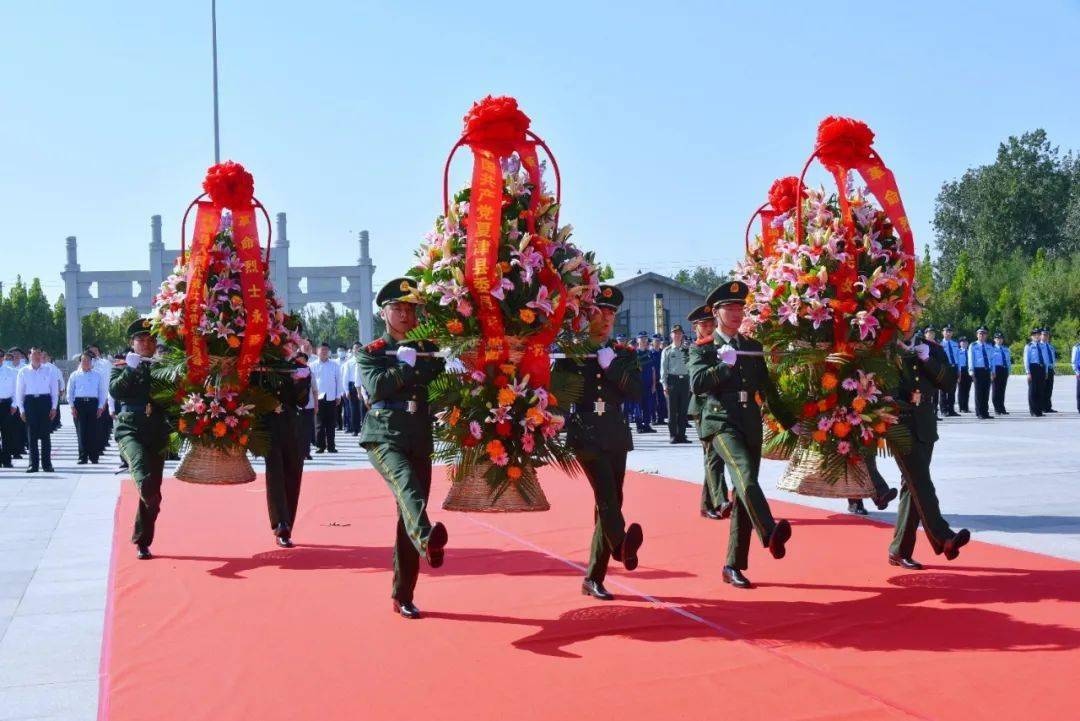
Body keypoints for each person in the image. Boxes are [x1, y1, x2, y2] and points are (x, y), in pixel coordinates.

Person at [689, 281, 798, 590]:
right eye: (730, 308)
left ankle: (733, 564)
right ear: (716, 312)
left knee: (742, 496)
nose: (737, 313)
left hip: (750, 422)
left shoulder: (750, 345)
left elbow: (768, 389)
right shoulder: (704, 348)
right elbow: (697, 384)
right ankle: (770, 532)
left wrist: (789, 422)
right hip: (720, 422)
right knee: (745, 476)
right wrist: (723, 367)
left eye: (740, 308)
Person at [358, 277, 448, 620]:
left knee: (407, 512)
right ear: (384, 313)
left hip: (419, 434)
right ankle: (428, 540)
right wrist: (403, 365)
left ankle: (403, 594)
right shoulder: (372, 352)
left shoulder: (428, 350)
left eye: (411, 309)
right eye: (398, 309)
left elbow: (441, 388)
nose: (406, 315)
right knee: (408, 488)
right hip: (384, 434)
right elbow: (377, 388)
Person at [555, 284, 645, 601]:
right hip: (586, 433)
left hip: (615, 433)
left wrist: (611, 368)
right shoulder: (571, 352)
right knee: (606, 495)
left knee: (610, 504)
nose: (607, 318)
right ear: (587, 314)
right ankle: (621, 545)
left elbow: (636, 392)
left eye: (611, 313)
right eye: (600, 312)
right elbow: (559, 393)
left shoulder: (622, 355)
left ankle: (593, 577)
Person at [887, 330, 971, 569]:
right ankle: (944, 537)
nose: (909, 318)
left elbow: (949, 382)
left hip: (925, 424)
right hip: (898, 425)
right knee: (921, 481)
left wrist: (927, 361)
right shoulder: (886, 347)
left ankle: (899, 550)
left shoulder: (931, 348)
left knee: (912, 485)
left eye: (914, 312)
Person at [111, 320, 171, 560]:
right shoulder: (122, 364)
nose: (146, 344)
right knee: (140, 469)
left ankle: (143, 541)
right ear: (131, 343)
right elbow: (116, 391)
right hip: (130, 427)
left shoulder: (161, 366)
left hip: (156, 429)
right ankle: (150, 497)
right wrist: (130, 370)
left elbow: (172, 397)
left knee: (153, 487)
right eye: (141, 340)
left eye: (150, 340)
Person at [255, 352, 311, 548]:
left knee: (293, 474)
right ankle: (281, 526)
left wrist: (300, 381)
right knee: (275, 473)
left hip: (294, 427)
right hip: (270, 426)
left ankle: (288, 522)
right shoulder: (265, 362)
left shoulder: (299, 366)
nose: (289, 345)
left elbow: (302, 401)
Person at [686, 305, 730, 520]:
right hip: (703, 407)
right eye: (705, 325)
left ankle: (708, 503)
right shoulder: (698, 349)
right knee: (712, 454)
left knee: (713, 455)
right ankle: (718, 501)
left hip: (720, 406)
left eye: (712, 323)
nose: (709, 327)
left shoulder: (721, 344)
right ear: (696, 328)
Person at [14, 347, 59, 473]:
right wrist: (21, 410)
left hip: (44, 402)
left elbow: (54, 391)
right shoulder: (23, 372)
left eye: (39, 354)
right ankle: (33, 465)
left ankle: (47, 464)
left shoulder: (49, 370)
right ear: (29, 356)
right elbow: (19, 393)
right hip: (30, 403)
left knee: (45, 436)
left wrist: (54, 407)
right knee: (31, 436)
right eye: (34, 354)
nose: (37, 357)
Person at [68, 352, 107, 464]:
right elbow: (70, 392)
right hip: (79, 404)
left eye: (88, 360)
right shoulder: (74, 375)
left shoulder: (97, 375)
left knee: (93, 431)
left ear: (91, 362)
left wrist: (100, 407)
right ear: (80, 362)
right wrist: (72, 406)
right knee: (81, 431)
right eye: (83, 360)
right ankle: (83, 456)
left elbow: (102, 392)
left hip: (92, 403)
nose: (85, 362)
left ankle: (94, 456)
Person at [660, 324, 692, 444]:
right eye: (675, 333)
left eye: (679, 333)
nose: (677, 335)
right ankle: (673, 435)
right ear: (671, 335)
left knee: (683, 410)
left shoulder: (687, 350)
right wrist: (664, 385)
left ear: (682, 335)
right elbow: (663, 369)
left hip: (685, 381)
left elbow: (691, 367)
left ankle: (682, 435)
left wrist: (691, 383)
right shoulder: (667, 350)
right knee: (672, 411)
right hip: (672, 381)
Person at [310, 342, 342, 453]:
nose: (324, 352)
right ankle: (320, 446)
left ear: (329, 352)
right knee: (319, 424)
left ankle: (331, 446)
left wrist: (338, 396)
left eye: (326, 350)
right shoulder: (313, 365)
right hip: (318, 398)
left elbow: (339, 381)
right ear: (317, 351)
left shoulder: (334, 365)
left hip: (331, 397)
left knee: (331, 424)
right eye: (322, 350)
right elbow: (310, 383)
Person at [967, 327, 995, 420]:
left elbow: (992, 359)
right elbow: (971, 359)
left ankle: (985, 412)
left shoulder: (989, 346)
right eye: (980, 334)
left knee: (986, 392)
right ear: (977, 335)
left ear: (986, 335)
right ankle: (979, 412)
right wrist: (971, 371)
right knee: (979, 392)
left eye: (984, 334)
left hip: (987, 370)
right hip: (977, 370)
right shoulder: (973, 345)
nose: (982, 336)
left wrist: (993, 371)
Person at [633, 332, 657, 433]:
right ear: (637, 340)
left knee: (648, 405)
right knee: (637, 406)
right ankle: (639, 426)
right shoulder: (634, 354)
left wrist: (654, 384)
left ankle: (647, 425)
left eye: (645, 339)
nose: (643, 340)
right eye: (641, 339)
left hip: (648, 384)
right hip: (638, 385)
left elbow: (653, 370)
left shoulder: (649, 353)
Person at [295, 351, 316, 460]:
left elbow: (315, 390)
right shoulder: (291, 372)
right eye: (299, 360)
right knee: (297, 430)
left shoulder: (310, 373)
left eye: (303, 360)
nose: (301, 363)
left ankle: (306, 452)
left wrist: (316, 405)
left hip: (308, 405)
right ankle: (297, 452)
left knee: (307, 431)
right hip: (295, 406)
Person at [938, 325, 962, 416]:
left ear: (952, 333)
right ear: (942, 333)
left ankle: (951, 410)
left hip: (954, 368)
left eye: (950, 331)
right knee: (943, 390)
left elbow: (958, 358)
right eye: (946, 331)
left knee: (952, 390)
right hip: (945, 368)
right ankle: (944, 410)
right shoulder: (939, 345)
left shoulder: (955, 344)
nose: (948, 333)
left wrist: (959, 370)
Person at [1024, 328, 1047, 417]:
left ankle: (1039, 410)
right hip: (1033, 368)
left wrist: (1045, 371)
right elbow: (1026, 360)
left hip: (1041, 368)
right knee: (1033, 390)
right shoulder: (1028, 346)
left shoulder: (1042, 346)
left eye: (1038, 334)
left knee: (1040, 390)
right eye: (1034, 335)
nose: (1036, 336)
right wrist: (1028, 372)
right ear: (1031, 336)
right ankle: (1033, 411)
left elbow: (1045, 359)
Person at [0, 353, 16, 468]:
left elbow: (16, 389)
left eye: (0, 356)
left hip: (6, 404)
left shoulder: (10, 371)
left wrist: (14, 404)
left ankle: (6, 460)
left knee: (7, 433)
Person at [991, 332, 1011, 415]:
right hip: (996, 369)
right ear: (994, 340)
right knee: (996, 390)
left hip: (1004, 369)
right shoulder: (992, 349)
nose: (999, 340)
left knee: (1002, 390)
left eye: (1001, 338)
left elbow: (1008, 361)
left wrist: (1008, 371)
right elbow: (991, 361)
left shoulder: (1006, 349)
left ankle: (1002, 407)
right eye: (997, 338)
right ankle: (997, 408)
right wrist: (992, 371)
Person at [650, 334, 667, 427]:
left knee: (661, 400)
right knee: (652, 401)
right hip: (652, 380)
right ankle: (653, 418)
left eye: (658, 341)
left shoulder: (663, 352)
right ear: (652, 342)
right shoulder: (649, 353)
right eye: (655, 341)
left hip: (661, 379)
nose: (657, 343)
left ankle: (661, 418)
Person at [1041, 329, 1058, 413]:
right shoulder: (1039, 346)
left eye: (1047, 335)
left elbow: (1053, 357)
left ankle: (1048, 407)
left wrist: (1054, 367)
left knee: (1049, 389)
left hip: (1051, 369)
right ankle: (1042, 407)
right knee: (1043, 388)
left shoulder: (1050, 346)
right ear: (1040, 336)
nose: (1046, 336)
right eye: (1044, 335)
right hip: (1043, 369)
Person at [956, 337, 972, 413]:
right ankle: (961, 407)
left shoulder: (970, 352)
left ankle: (966, 407)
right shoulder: (958, 352)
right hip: (961, 371)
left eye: (965, 342)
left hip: (968, 371)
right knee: (961, 390)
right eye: (962, 342)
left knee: (967, 390)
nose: (964, 343)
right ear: (960, 343)